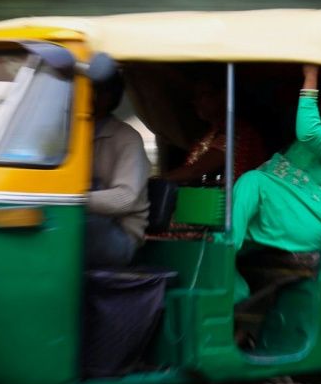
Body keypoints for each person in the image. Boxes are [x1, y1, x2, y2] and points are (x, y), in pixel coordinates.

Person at [230, 64, 321, 301]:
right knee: (241, 220)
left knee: (253, 182)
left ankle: (221, 268)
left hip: (314, 220)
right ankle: (236, 292)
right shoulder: (313, 141)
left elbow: (309, 133)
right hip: (290, 214)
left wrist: (310, 75)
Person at [85, 72, 150, 268]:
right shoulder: (71, 134)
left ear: (106, 96)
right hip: (90, 223)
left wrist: (72, 200)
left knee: (76, 225)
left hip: (119, 236)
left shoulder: (126, 138)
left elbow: (125, 199)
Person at [161, 80, 266, 185]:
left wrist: (157, 180)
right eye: (195, 97)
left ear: (223, 95)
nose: (196, 102)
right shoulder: (211, 134)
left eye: (203, 95)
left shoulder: (235, 131)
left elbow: (197, 170)